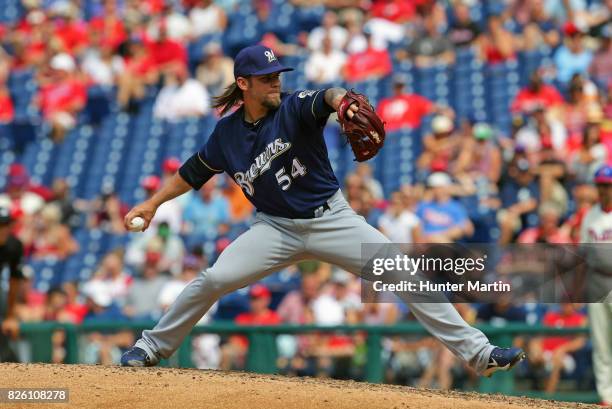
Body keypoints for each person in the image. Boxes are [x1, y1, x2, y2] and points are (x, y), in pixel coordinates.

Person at [120, 44, 525, 376]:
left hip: (332, 219)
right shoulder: (226, 133)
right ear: (243, 84)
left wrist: (344, 99)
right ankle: (151, 346)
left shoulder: (294, 106)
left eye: (278, 74)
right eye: (266, 78)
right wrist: (152, 203)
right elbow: (193, 172)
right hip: (274, 230)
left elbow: (328, 96)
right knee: (212, 279)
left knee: (406, 274)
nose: (276, 82)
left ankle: (480, 353)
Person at [579, 165, 612, 406]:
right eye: (600, 184)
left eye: (607, 184)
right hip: (597, 280)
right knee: (601, 342)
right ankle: (606, 396)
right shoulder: (590, 215)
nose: (604, 189)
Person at [0, 207, 25, 362]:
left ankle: (16, 372)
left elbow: (14, 280)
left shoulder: (14, 245)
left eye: (5, 224)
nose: (2, 229)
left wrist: (10, 316)